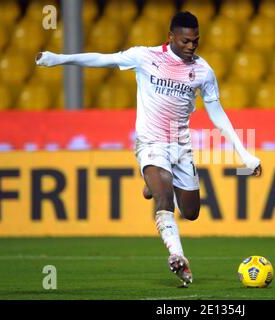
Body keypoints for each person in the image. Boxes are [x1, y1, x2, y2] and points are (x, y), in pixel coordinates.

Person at [36, 11, 261, 287]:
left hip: (181, 146)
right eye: (186, 41)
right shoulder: (145, 57)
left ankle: (151, 183)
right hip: (151, 142)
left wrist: (244, 153)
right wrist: (60, 59)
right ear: (171, 37)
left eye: (196, 41)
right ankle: (177, 256)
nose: (192, 46)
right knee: (164, 198)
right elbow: (103, 59)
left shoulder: (203, 71)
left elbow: (218, 115)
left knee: (191, 212)